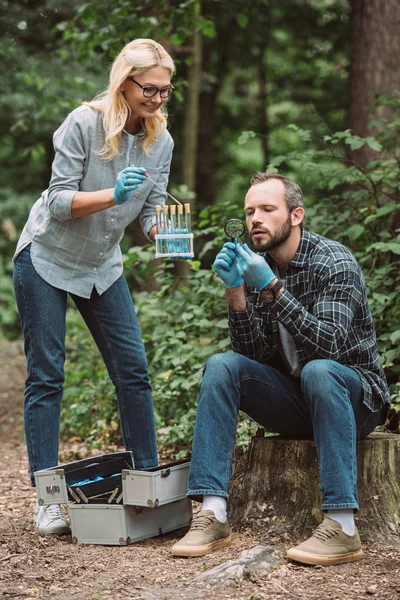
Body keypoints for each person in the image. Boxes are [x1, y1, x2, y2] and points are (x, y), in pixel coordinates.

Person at [171, 172, 391, 565]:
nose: (255, 218)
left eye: (267, 209)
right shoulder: (258, 267)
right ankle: (213, 513)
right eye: (249, 210)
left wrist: (272, 286)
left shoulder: (333, 261)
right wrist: (236, 289)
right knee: (222, 366)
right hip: (297, 400)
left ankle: (343, 525)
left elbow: (329, 346)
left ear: (295, 216)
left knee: (319, 370)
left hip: (354, 399)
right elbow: (253, 355)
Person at [13, 39, 176, 535]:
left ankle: (146, 481)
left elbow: (153, 210)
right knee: (47, 374)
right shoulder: (82, 123)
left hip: (103, 265)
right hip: (46, 257)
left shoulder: (160, 141)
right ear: (123, 81)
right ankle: (47, 500)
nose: (157, 99)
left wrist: (164, 235)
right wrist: (112, 194)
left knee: (133, 370)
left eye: (165, 91)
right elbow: (59, 199)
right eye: (149, 88)